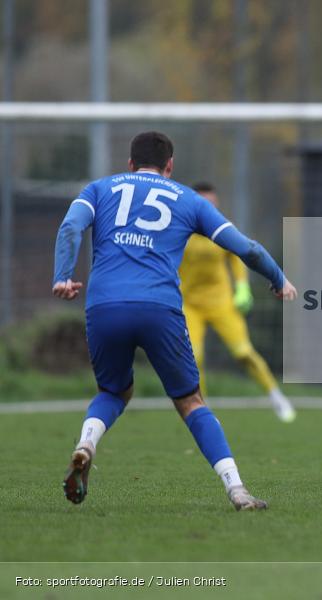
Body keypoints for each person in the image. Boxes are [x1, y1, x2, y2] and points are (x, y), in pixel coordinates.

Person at [52, 131, 298, 511]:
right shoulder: (188, 199)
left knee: (114, 392)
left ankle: (86, 443)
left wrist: (62, 276)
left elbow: (70, 227)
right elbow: (245, 248)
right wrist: (279, 279)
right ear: (169, 167)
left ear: (130, 164)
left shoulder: (99, 189)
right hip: (159, 308)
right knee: (189, 400)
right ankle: (237, 489)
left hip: (105, 306)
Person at [179, 182, 295, 423]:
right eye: (202, 202)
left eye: (211, 203)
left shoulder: (219, 229)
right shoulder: (181, 230)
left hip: (221, 302)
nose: (207, 207)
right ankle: (204, 411)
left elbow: (237, 255)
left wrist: (242, 287)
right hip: (189, 304)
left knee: (243, 352)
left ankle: (276, 396)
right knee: (194, 356)